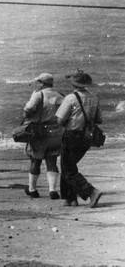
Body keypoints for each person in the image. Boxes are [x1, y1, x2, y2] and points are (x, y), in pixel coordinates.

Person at [55, 70, 104, 208]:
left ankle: (91, 192)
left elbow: (59, 120)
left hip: (72, 135)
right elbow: (99, 119)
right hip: (87, 137)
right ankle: (70, 199)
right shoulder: (94, 97)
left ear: (73, 84)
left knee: (67, 168)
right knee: (69, 166)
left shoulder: (70, 98)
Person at [22, 72, 64, 199]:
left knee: (35, 160)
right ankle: (53, 190)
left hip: (39, 132)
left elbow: (28, 110)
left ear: (42, 83)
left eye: (38, 82)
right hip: (56, 132)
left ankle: (32, 190)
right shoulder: (60, 95)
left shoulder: (38, 94)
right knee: (52, 161)